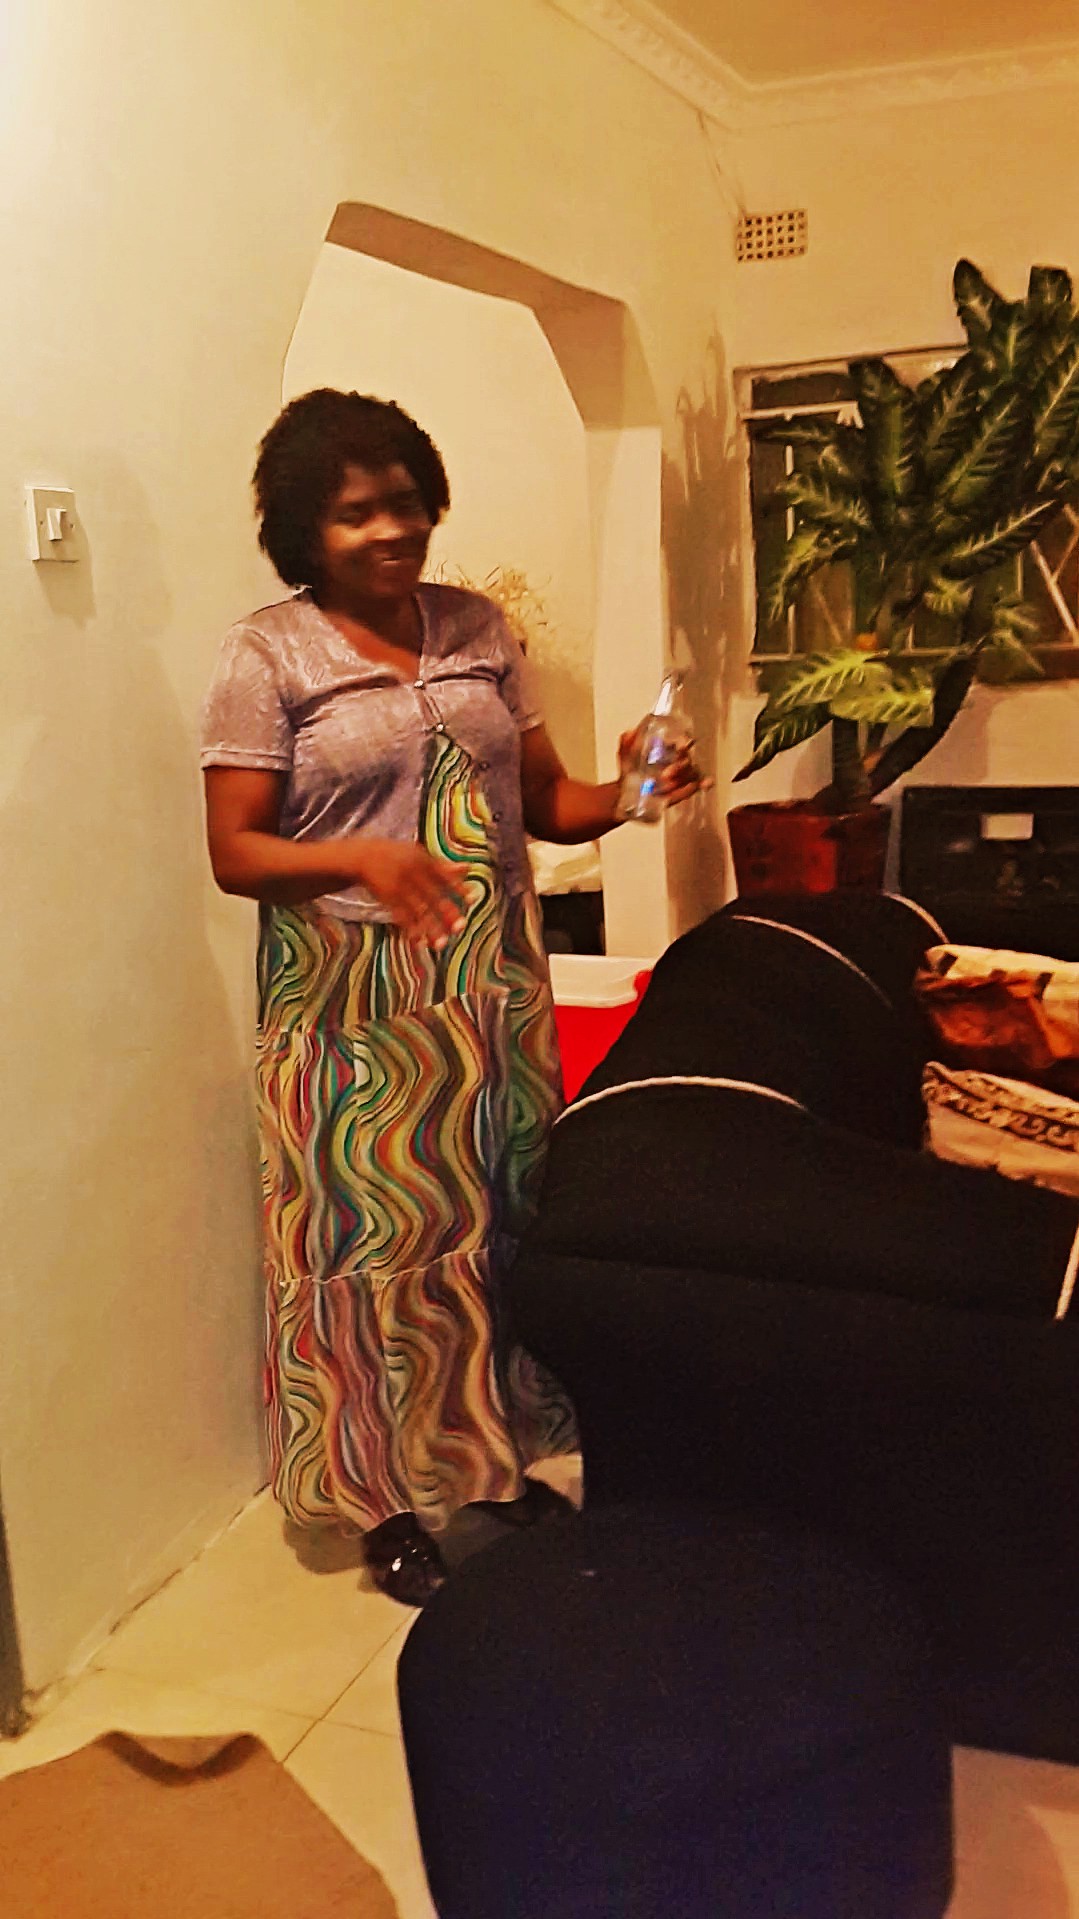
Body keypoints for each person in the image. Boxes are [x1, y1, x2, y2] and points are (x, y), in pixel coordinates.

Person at [200, 388, 702, 1605]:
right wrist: (359, 860)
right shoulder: (268, 655)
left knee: (484, 1226)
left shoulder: (477, 627)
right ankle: (377, 1500)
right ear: (304, 528)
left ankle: (480, 1464)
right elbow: (235, 851)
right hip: (348, 1009)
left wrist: (633, 792)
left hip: (489, 994)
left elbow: (548, 802)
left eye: (405, 502)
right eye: (355, 513)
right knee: (364, 1242)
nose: (391, 530)